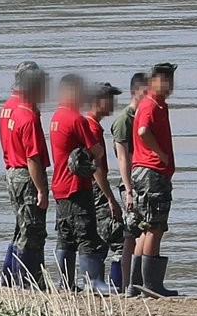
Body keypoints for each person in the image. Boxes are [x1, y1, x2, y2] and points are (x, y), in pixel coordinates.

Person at [49, 74, 121, 294]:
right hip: (76, 185)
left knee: (65, 236)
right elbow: (97, 152)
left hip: (59, 185)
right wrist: (109, 197)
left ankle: (65, 282)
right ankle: (94, 281)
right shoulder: (76, 119)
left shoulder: (56, 117)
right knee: (86, 234)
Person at [129, 63, 179, 297]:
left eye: (171, 80)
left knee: (145, 228)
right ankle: (150, 285)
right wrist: (160, 153)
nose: (169, 86)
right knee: (154, 227)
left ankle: (135, 285)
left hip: (146, 171)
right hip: (151, 171)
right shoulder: (150, 104)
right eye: (165, 80)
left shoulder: (156, 104)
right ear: (154, 81)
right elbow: (142, 132)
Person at [0, 63, 51, 288]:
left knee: (21, 227)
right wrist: (42, 189)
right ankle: (28, 281)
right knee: (32, 230)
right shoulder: (27, 115)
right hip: (25, 174)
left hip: (12, 172)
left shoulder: (8, 107)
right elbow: (33, 157)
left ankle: (9, 279)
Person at [85, 82, 126, 289]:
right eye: (109, 99)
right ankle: (116, 285)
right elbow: (96, 168)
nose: (112, 104)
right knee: (118, 237)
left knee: (98, 238)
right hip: (96, 189)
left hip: (91, 188)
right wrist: (110, 198)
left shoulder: (92, 125)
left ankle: (99, 282)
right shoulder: (91, 127)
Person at [111, 73, 148, 292]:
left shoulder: (142, 115)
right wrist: (129, 190)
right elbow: (123, 157)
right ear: (134, 92)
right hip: (131, 183)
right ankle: (129, 285)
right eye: (145, 92)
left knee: (138, 231)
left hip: (142, 181)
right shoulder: (125, 119)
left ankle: (137, 283)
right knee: (131, 234)